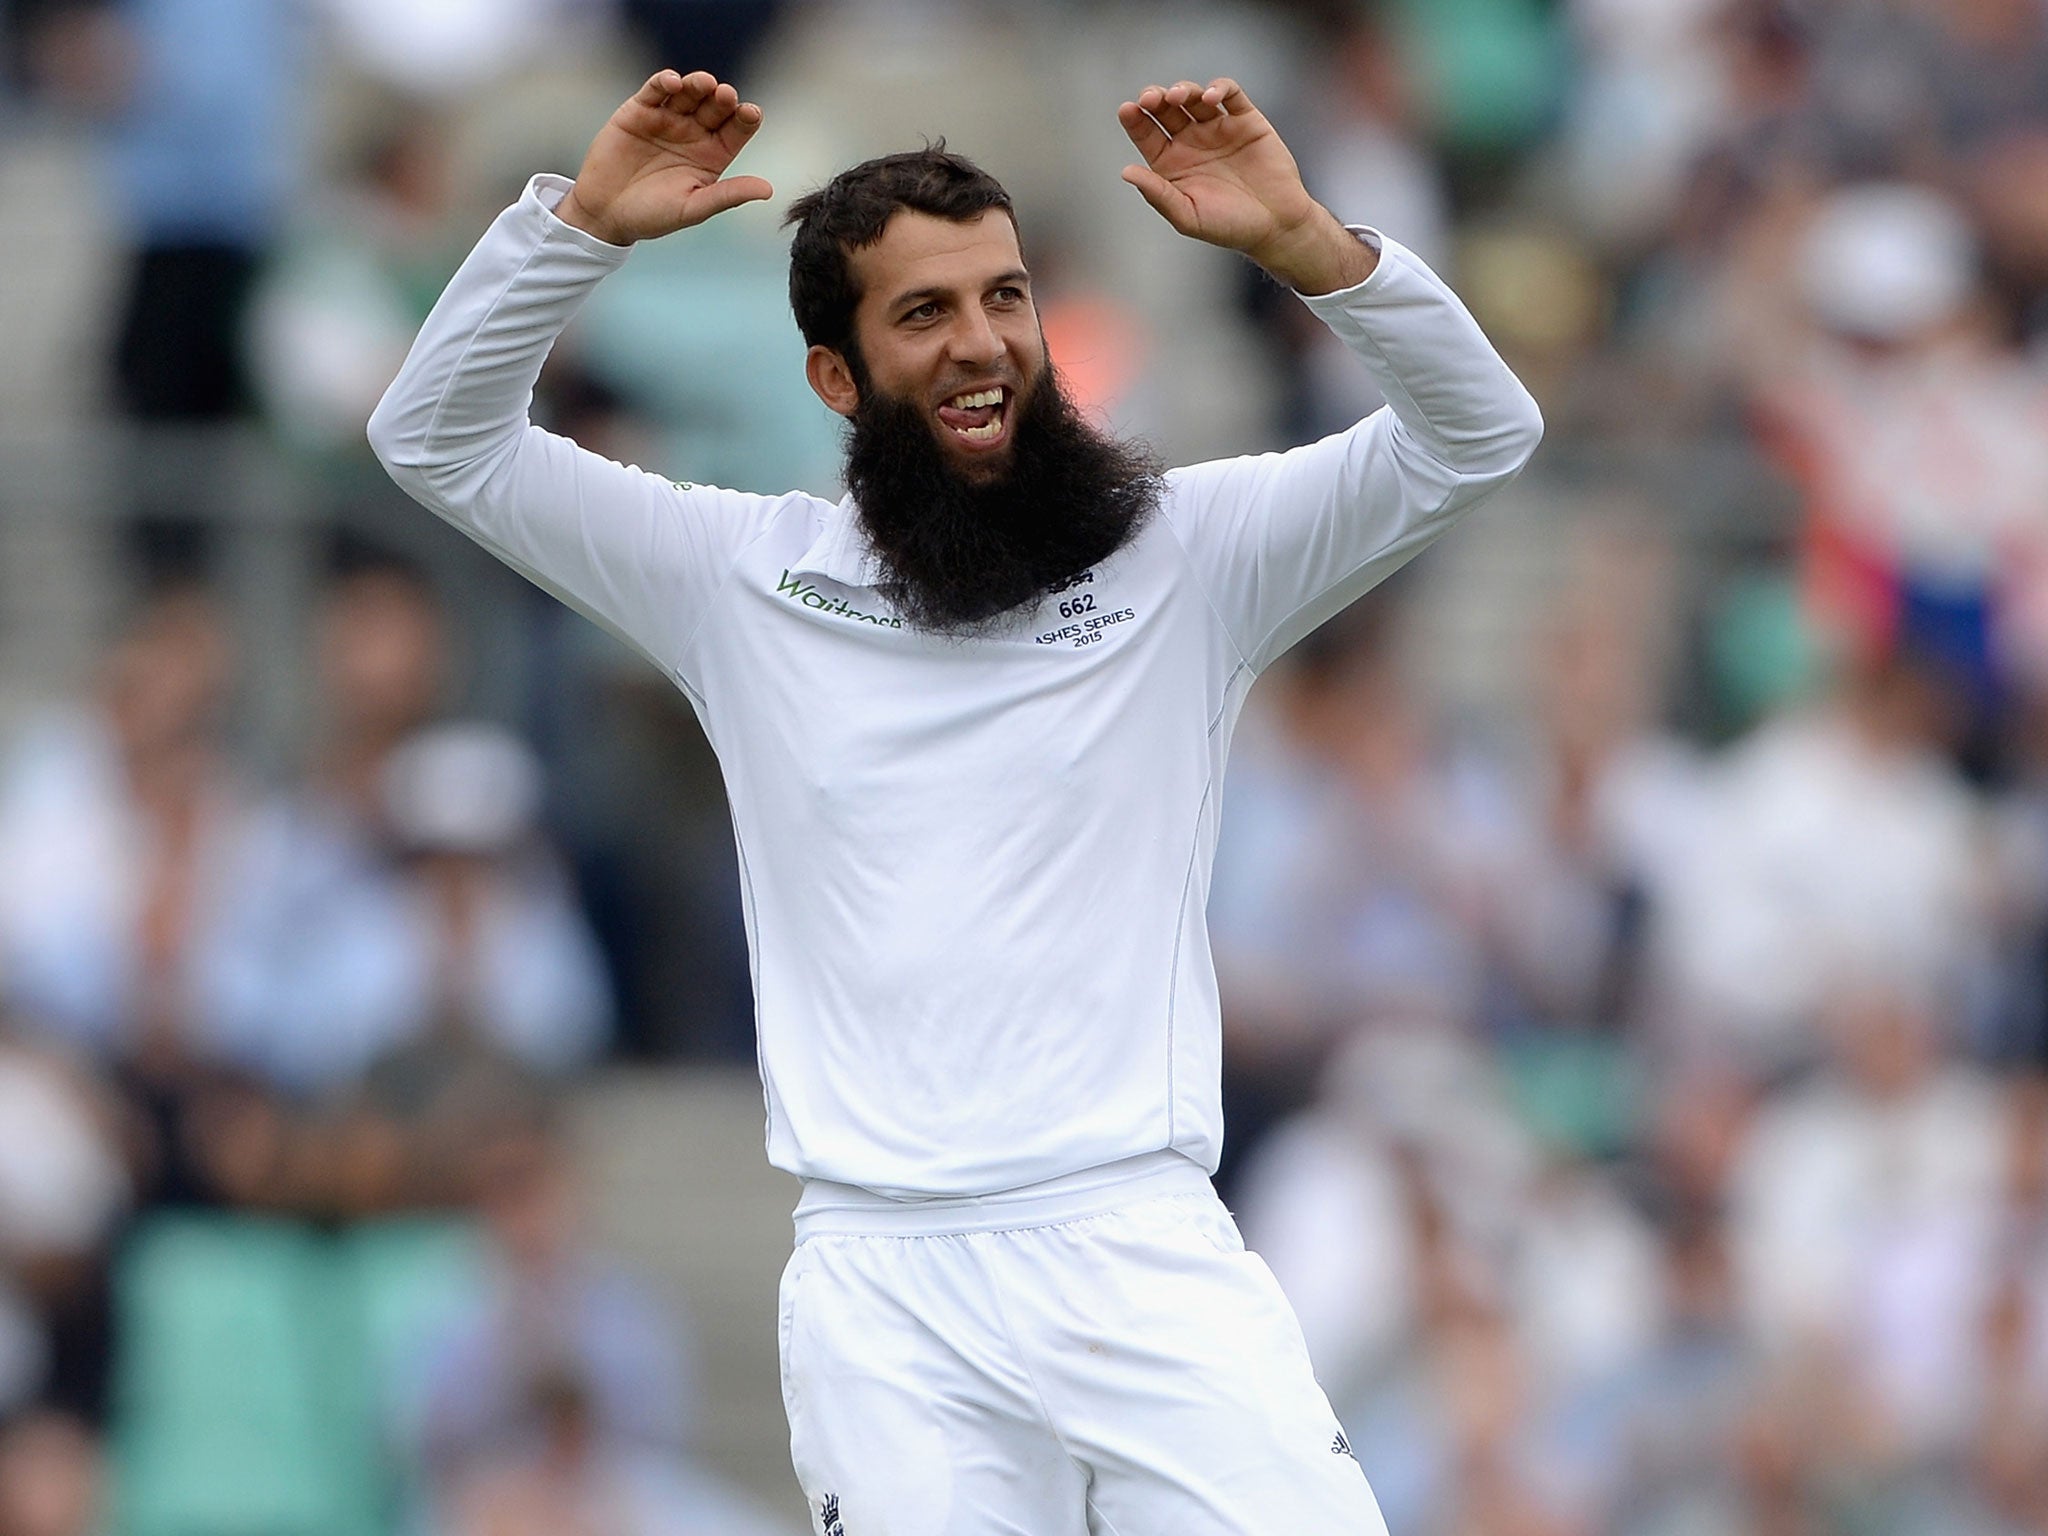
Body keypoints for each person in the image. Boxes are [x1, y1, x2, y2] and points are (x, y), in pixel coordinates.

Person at [369, 65, 1541, 1535]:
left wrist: (1317, 252)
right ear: (835, 378)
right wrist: (577, 233)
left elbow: (1477, 435)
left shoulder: (1191, 556)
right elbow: (435, 439)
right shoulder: (737, 576)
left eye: (1006, 297)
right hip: (886, 1293)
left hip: (1141, 1250)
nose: (983, 342)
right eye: (924, 314)